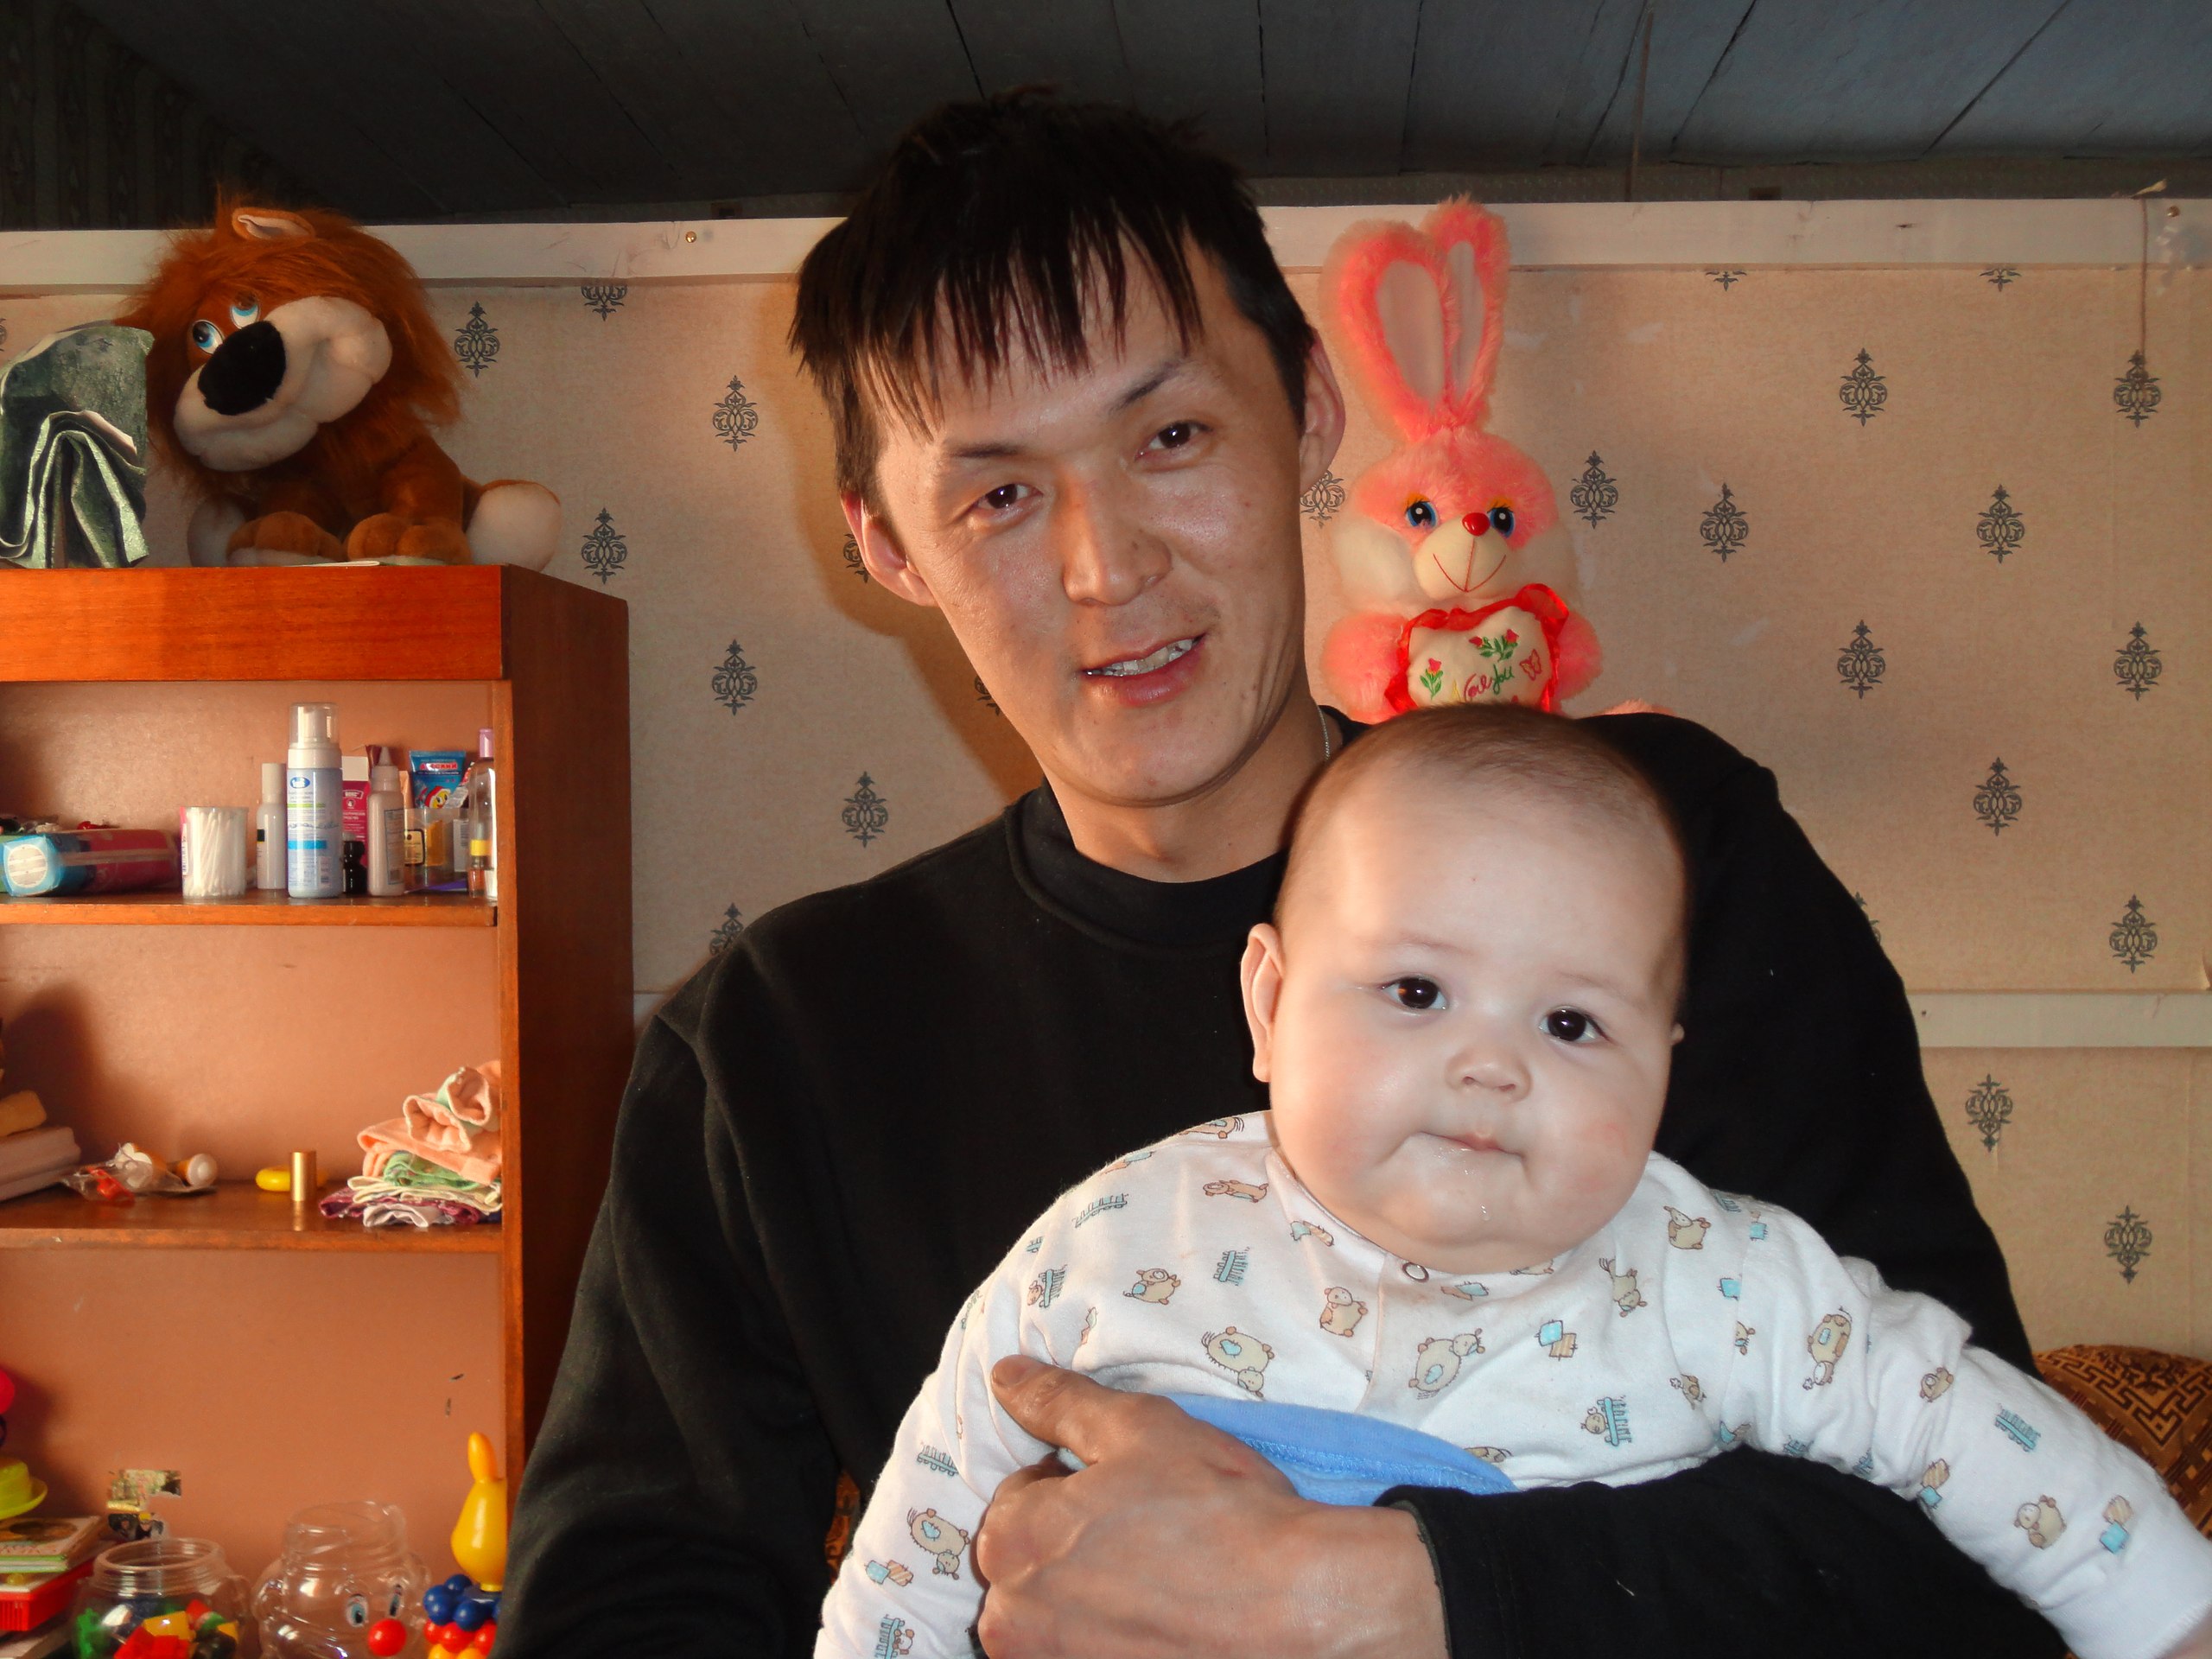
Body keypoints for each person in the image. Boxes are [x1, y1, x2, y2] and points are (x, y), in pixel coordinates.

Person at [499, 93, 2069, 1656]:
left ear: (1310, 406)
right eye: (999, 495)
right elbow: (621, 1611)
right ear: (889, 547)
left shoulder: (1659, 870)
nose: (1110, 567)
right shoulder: (777, 1043)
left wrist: (1374, 1591)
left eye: (1171, 438)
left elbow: (1987, 1553)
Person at [819, 705, 2212, 1659]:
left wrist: (2169, 1617)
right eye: (1417, 991)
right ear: (1271, 1002)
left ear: (1665, 1067)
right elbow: (924, 1527)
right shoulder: (1128, 1235)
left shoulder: (1722, 1279)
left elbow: (1978, 1432)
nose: (1492, 1067)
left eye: (1572, 1024)